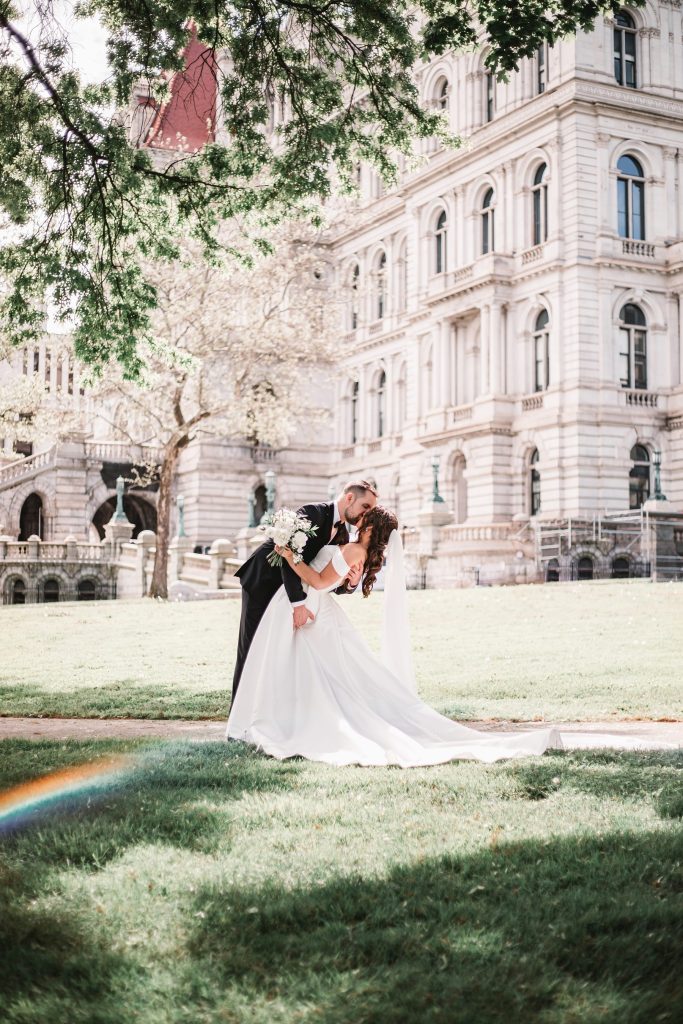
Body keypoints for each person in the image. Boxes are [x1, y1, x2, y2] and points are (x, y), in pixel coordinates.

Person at [227, 505, 565, 766]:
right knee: (337, 680)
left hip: (315, 612)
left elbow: (316, 582)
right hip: (319, 614)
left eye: (366, 518)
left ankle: (285, 723)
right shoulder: (352, 549)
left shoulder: (352, 552)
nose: (359, 520)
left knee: (326, 682)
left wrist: (289, 555)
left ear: (372, 528)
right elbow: (331, 579)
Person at [231, 479, 378, 698]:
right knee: (251, 646)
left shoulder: (343, 536)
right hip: (263, 579)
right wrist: (298, 603)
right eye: (365, 507)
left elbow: (327, 579)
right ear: (349, 498)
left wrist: (352, 583)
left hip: (285, 591)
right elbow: (287, 557)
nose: (366, 514)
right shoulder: (313, 513)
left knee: (273, 650)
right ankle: (239, 713)